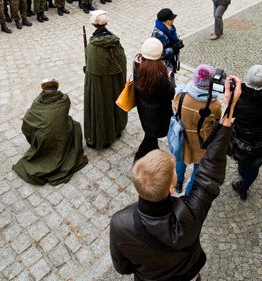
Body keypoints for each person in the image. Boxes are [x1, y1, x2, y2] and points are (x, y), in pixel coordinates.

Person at [109, 75, 242, 281]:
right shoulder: (189, 213)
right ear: (171, 188)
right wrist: (229, 109)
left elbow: (123, 267)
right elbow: (209, 175)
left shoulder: (120, 223)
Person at [12, 78, 89, 185]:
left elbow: (27, 121)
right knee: (74, 123)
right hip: (60, 135)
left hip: (43, 137)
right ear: (56, 88)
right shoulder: (65, 99)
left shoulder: (36, 102)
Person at [229, 65, 262, 200]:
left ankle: (242, 176)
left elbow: (231, 114)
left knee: (241, 153)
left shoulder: (239, 98)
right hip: (260, 138)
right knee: (254, 164)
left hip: (241, 135)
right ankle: (244, 186)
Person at [173, 64, 223, 194]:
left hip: (182, 136)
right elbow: (217, 120)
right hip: (201, 141)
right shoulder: (214, 104)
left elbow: (175, 109)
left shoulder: (181, 96)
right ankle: (189, 192)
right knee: (199, 167)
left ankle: (178, 183)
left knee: (180, 160)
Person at [83, 10, 127, 149]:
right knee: (114, 102)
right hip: (114, 82)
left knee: (101, 105)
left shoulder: (93, 46)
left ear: (93, 25)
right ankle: (117, 128)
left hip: (100, 85)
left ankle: (103, 135)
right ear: (106, 23)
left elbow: (92, 69)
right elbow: (121, 62)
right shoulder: (115, 41)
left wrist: (88, 70)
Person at [132, 38, 175, 162]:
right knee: (150, 137)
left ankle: (153, 152)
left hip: (143, 108)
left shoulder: (137, 63)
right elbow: (170, 93)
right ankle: (139, 158)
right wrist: (170, 78)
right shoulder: (158, 75)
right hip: (157, 113)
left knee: (150, 136)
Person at [151, 8, 182, 75]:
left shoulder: (169, 28)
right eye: (172, 19)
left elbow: (172, 40)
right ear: (168, 21)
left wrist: (177, 43)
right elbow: (158, 54)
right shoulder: (158, 34)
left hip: (169, 62)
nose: (173, 20)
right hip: (162, 66)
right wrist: (173, 49)